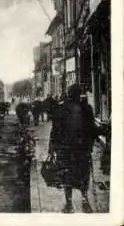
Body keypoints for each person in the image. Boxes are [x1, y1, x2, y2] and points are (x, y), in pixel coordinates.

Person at [48, 84, 101, 213]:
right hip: (82, 149)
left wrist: (52, 146)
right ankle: (84, 199)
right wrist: (97, 134)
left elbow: (55, 130)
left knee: (67, 174)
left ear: (68, 93)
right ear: (79, 94)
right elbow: (91, 129)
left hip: (65, 149)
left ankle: (69, 203)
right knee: (83, 173)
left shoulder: (60, 108)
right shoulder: (86, 108)